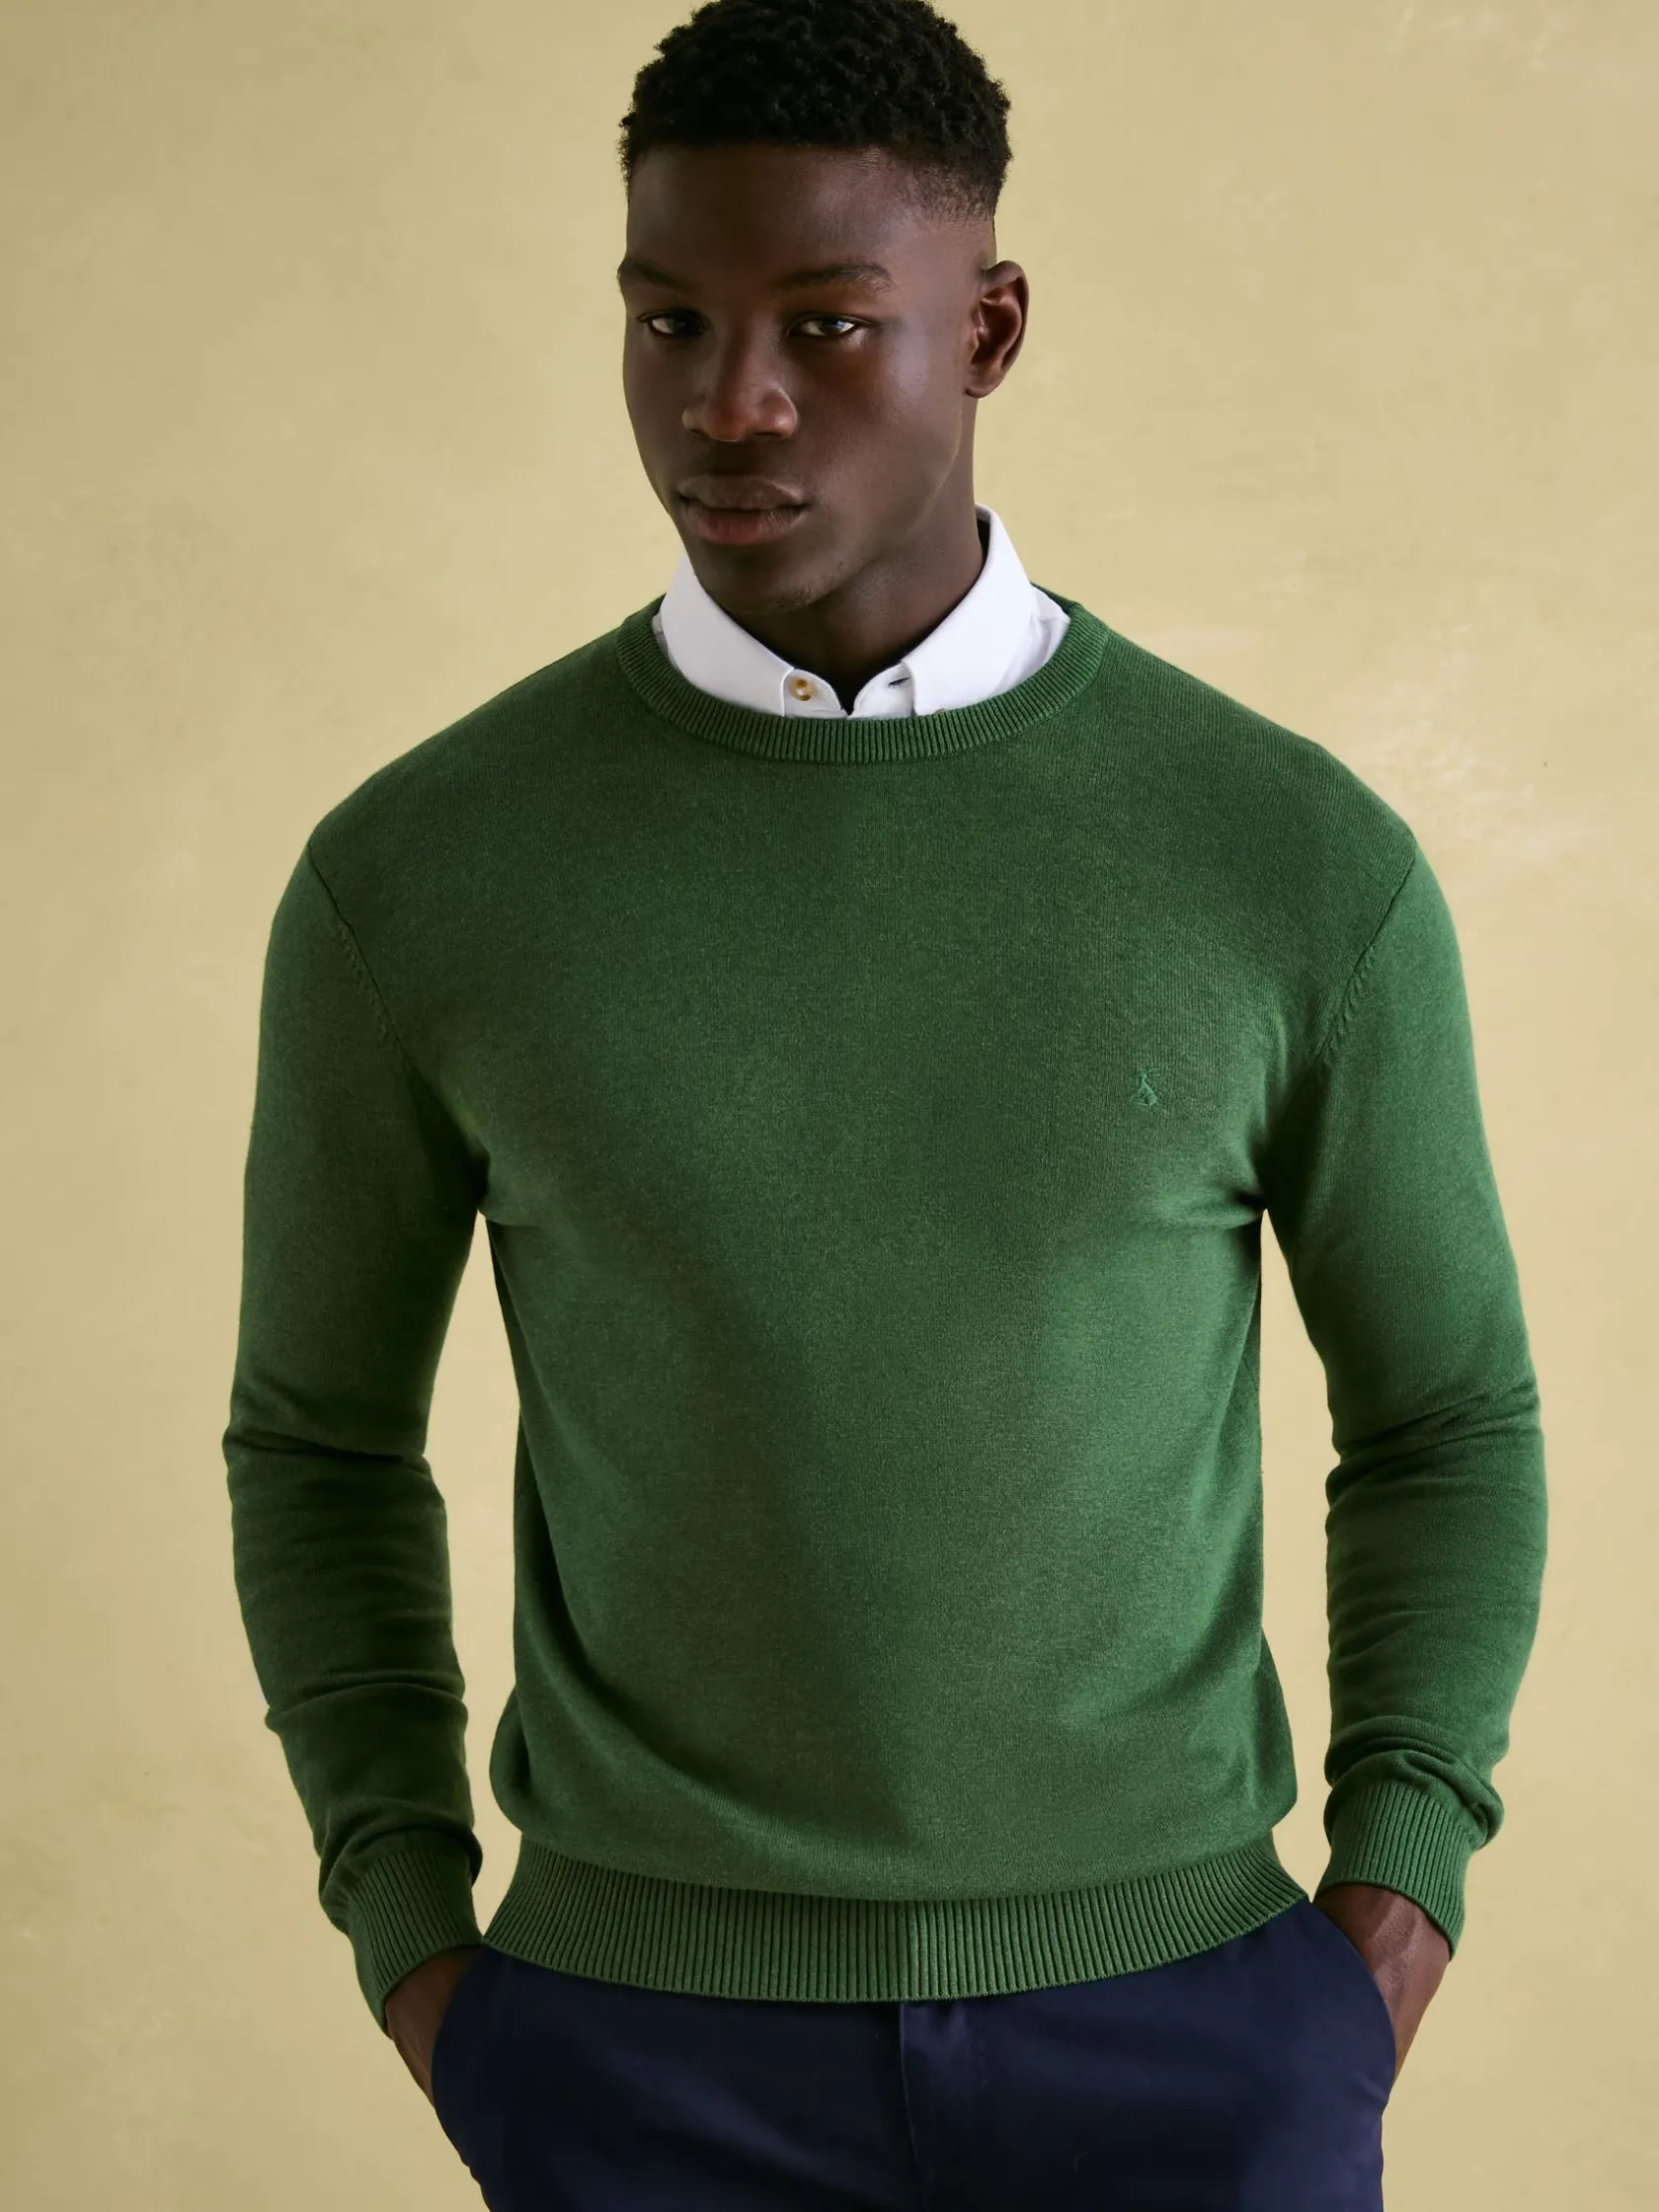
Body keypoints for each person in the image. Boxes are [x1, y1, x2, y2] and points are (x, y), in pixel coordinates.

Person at [222, 1, 1548, 2203]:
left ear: (990, 327)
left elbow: (1448, 1417)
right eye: (670, 321)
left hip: (1188, 2034)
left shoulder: (1288, 863)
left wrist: (1386, 1918)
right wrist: (415, 1942)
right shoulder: (423, 877)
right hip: (636, 2054)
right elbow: (320, 1443)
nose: (728, 402)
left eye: (825, 326)